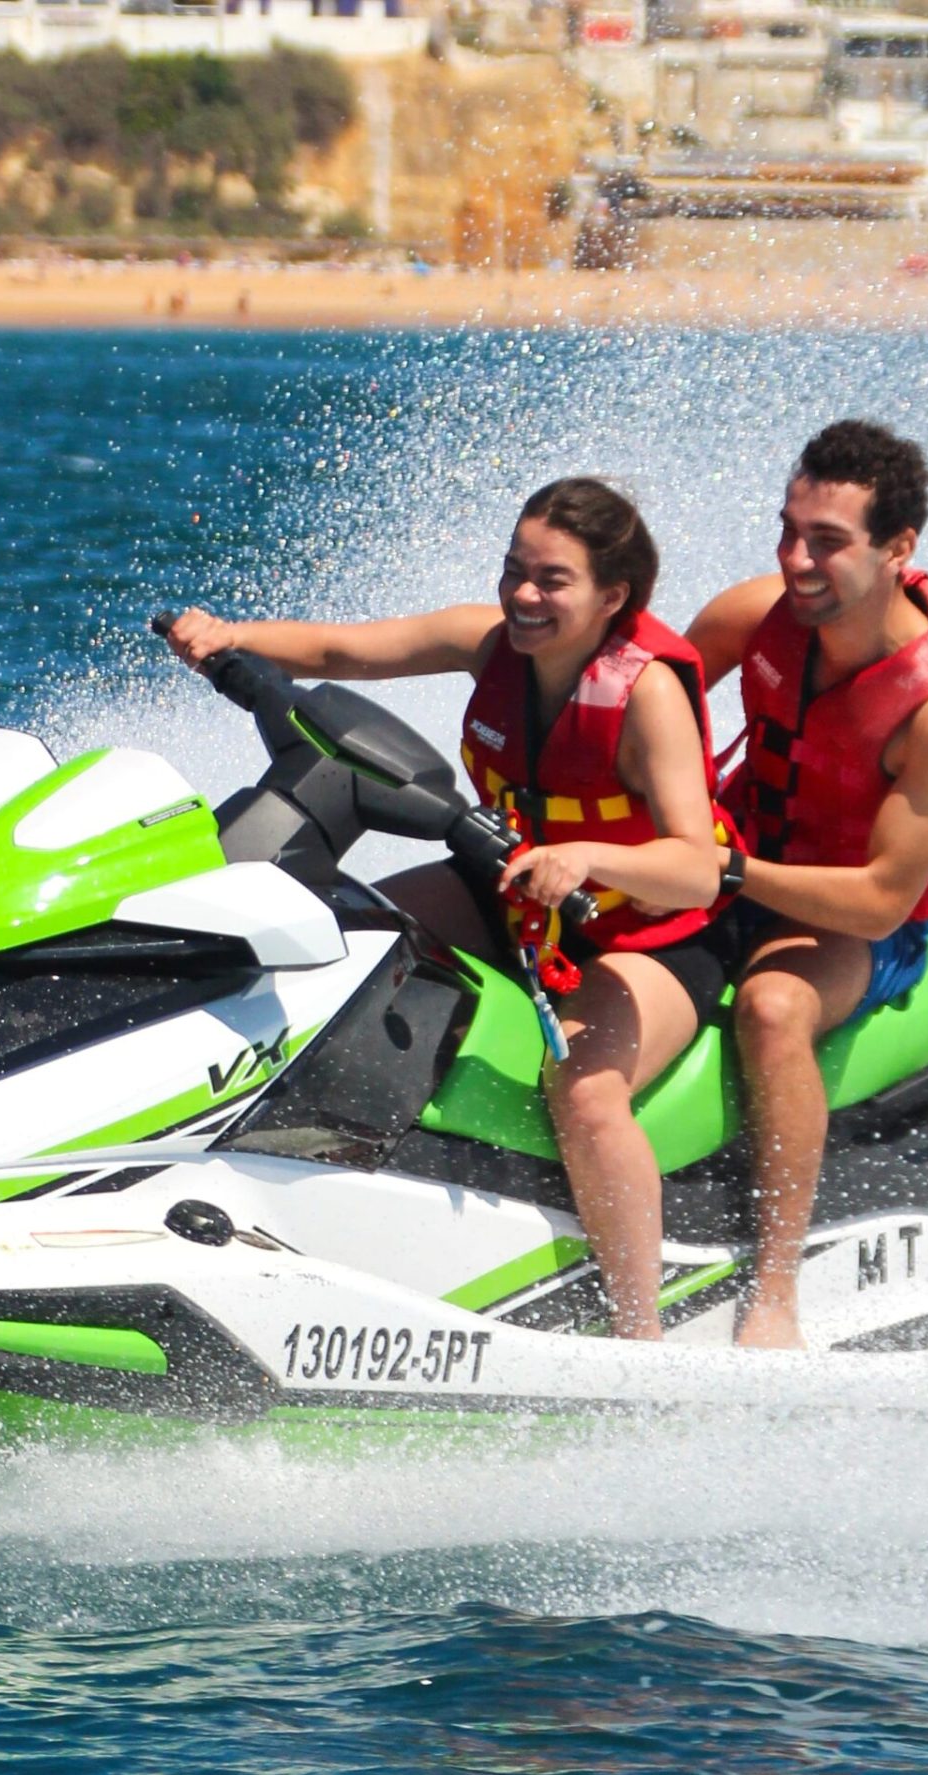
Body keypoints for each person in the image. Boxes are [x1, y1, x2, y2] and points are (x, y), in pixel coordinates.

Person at [162, 479, 728, 1339]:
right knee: (342, 947)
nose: (524, 594)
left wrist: (587, 857)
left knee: (585, 1094)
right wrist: (231, 637)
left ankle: (639, 1332)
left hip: (649, 934)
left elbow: (697, 868)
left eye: (553, 580)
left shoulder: (647, 694)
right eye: (515, 569)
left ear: (613, 597)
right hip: (520, 896)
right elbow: (344, 652)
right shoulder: (489, 641)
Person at [688, 421, 928, 1350]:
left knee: (773, 1009)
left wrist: (728, 872)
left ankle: (775, 1289)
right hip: (731, 862)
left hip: (857, 922)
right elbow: (633, 705)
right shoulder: (753, 615)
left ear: (899, 548)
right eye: (789, 532)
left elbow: (880, 899)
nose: (796, 560)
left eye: (826, 541)